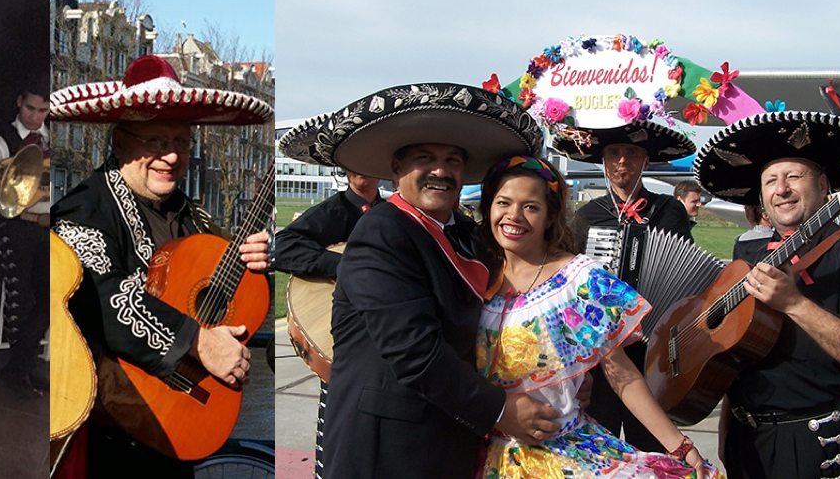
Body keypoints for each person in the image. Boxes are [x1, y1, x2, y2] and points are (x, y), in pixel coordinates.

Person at [285, 82, 567, 479]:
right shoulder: (381, 231)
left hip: (452, 439)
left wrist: (560, 384)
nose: (440, 171)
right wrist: (502, 410)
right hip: (386, 450)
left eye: (453, 161)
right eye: (425, 158)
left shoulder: (471, 236)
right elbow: (413, 351)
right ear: (396, 169)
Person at [50, 55, 272, 478]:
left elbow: (224, 292)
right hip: (109, 440)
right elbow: (102, 295)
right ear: (119, 142)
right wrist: (199, 343)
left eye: (182, 142)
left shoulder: (193, 215)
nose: (171, 156)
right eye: (155, 142)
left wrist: (253, 263)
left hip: (179, 429)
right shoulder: (82, 210)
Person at [473, 155, 722, 479]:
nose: (514, 216)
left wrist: (679, 445)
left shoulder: (578, 280)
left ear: (550, 217)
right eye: (503, 202)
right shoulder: (476, 275)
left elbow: (622, 374)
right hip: (488, 457)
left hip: (562, 457)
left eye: (531, 207)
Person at [696, 111, 840, 479]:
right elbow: (738, 352)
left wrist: (795, 304)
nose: (782, 189)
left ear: (824, 186)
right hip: (747, 437)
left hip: (811, 437)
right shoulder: (750, 255)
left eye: (794, 176)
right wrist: (728, 424)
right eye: (771, 180)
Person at [554, 121, 695, 452]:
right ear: (603, 161)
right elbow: (574, 284)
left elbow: (683, 269)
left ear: (645, 161)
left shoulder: (669, 210)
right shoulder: (589, 215)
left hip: (652, 351)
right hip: (603, 354)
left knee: (651, 446)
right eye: (614, 153)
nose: (621, 161)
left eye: (631, 153)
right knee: (602, 447)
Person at [274, 138, 383, 479]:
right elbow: (283, 247)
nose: (360, 172)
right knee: (336, 432)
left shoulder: (391, 214)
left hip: (380, 339)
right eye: (353, 164)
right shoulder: (335, 210)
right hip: (339, 337)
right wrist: (339, 265)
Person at [0, 84, 51, 397]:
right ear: (19, 102)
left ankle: (21, 367)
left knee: (48, 301)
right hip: (16, 227)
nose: (35, 117)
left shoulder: (53, 140)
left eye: (43, 110)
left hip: (48, 228)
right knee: (22, 300)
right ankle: (20, 371)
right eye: (31, 108)